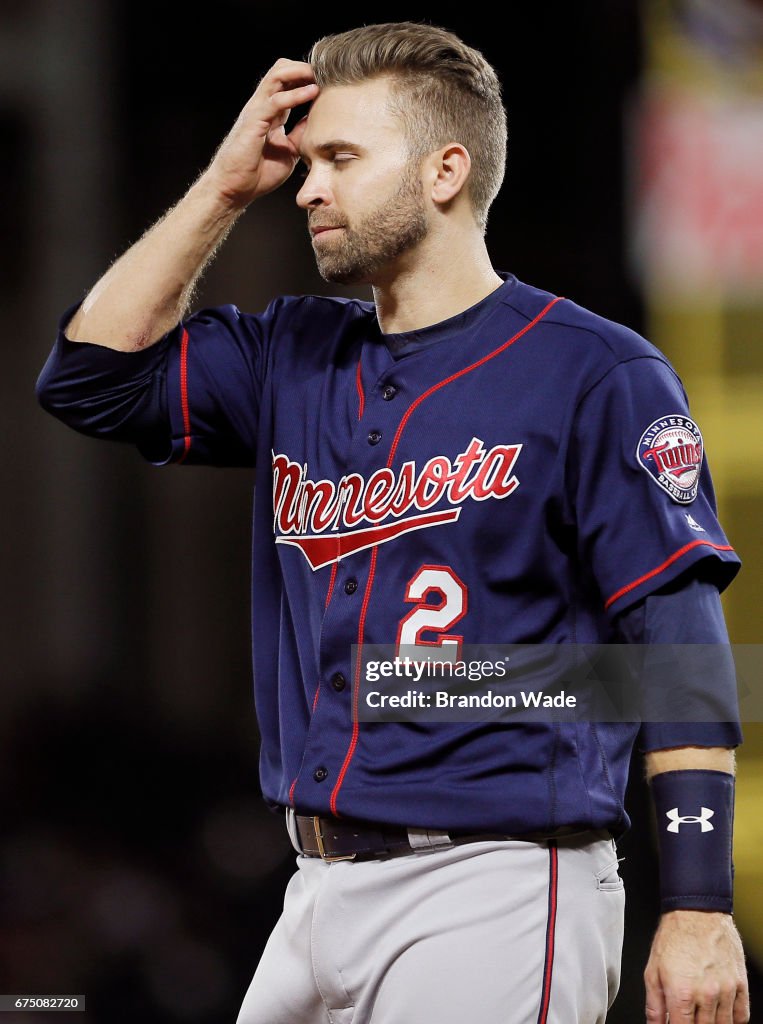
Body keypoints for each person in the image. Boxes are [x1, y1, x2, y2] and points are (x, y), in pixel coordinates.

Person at [36, 21, 750, 1024]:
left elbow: (676, 646)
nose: (307, 185)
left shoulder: (596, 372)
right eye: (306, 160)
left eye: (340, 157)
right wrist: (220, 190)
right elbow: (88, 379)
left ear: (444, 170)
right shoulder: (293, 353)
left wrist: (698, 905)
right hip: (313, 886)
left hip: (493, 884)